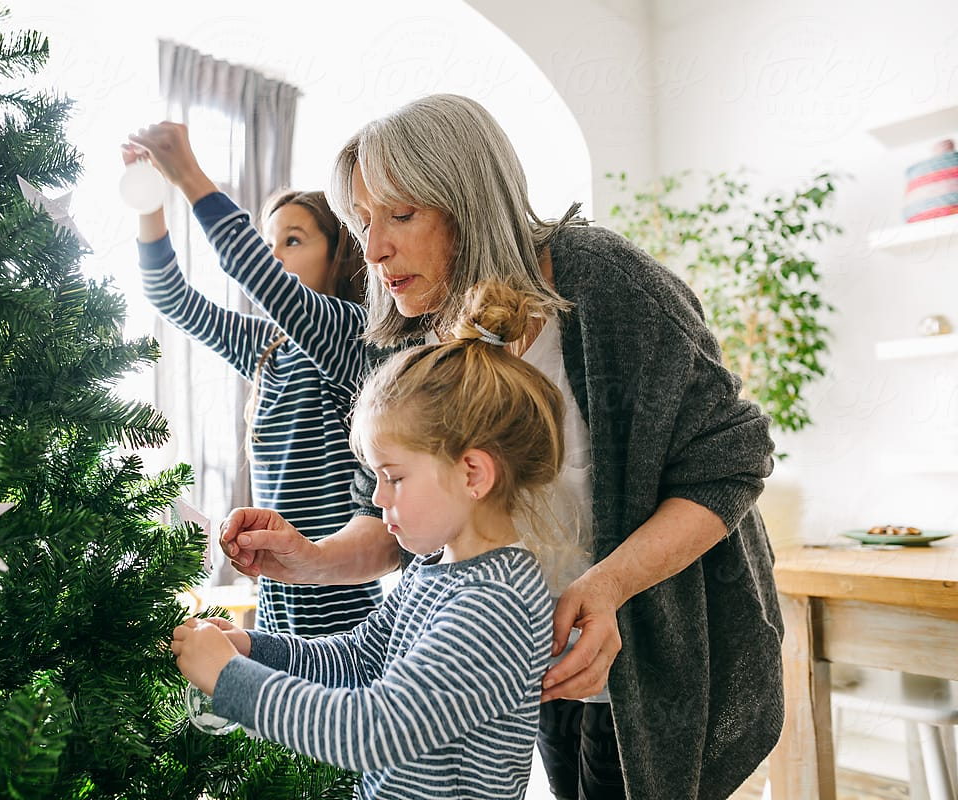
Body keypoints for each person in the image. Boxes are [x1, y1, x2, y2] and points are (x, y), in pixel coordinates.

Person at [218, 94, 783, 800]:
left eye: (401, 214)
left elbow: (729, 464)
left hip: (649, 648)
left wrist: (606, 587)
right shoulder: (431, 325)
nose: (375, 249)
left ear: (469, 201)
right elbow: (420, 519)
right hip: (536, 652)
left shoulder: (605, 287)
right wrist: (316, 561)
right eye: (363, 223)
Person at [173, 281, 563, 800]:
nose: (377, 498)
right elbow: (359, 660)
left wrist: (229, 679)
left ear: (473, 474)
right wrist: (250, 648)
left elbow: (372, 730)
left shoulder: (494, 604)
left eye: (394, 477)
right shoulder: (433, 569)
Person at [124, 122, 381, 637]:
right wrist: (149, 201)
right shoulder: (267, 348)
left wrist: (191, 176)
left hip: (342, 603)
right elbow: (170, 297)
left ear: (339, 253)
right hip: (277, 599)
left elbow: (262, 278)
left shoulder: (353, 335)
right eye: (269, 242)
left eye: (293, 240)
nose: (275, 254)